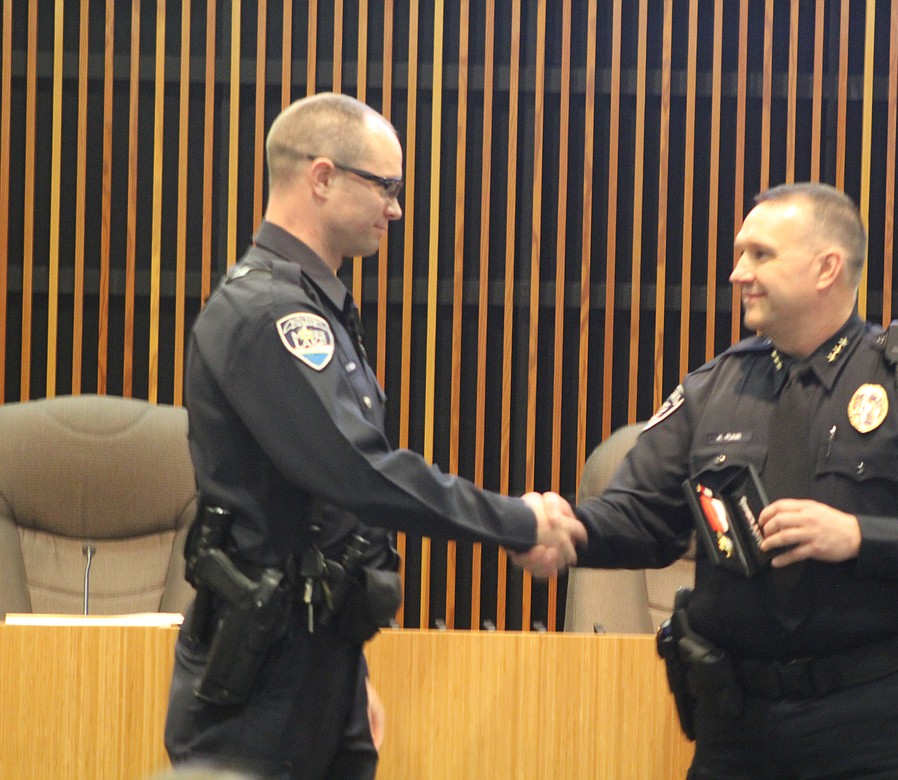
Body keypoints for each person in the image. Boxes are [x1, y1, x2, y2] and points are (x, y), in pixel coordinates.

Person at [520, 183, 898, 778]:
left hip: (884, 728)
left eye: (760, 255)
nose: (737, 273)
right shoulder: (714, 389)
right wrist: (561, 528)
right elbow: (641, 516)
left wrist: (859, 535)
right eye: (740, 255)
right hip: (739, 728)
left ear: (826, 268)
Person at [164, 92, 584, 780]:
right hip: (262, 690)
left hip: (316, 664)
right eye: (385, 187)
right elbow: (358, 473)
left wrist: (347, 669)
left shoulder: (312, 303)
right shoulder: (269, 312)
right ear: (322, 177)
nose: (396, 209)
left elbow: (325, 519)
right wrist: (515, 520)